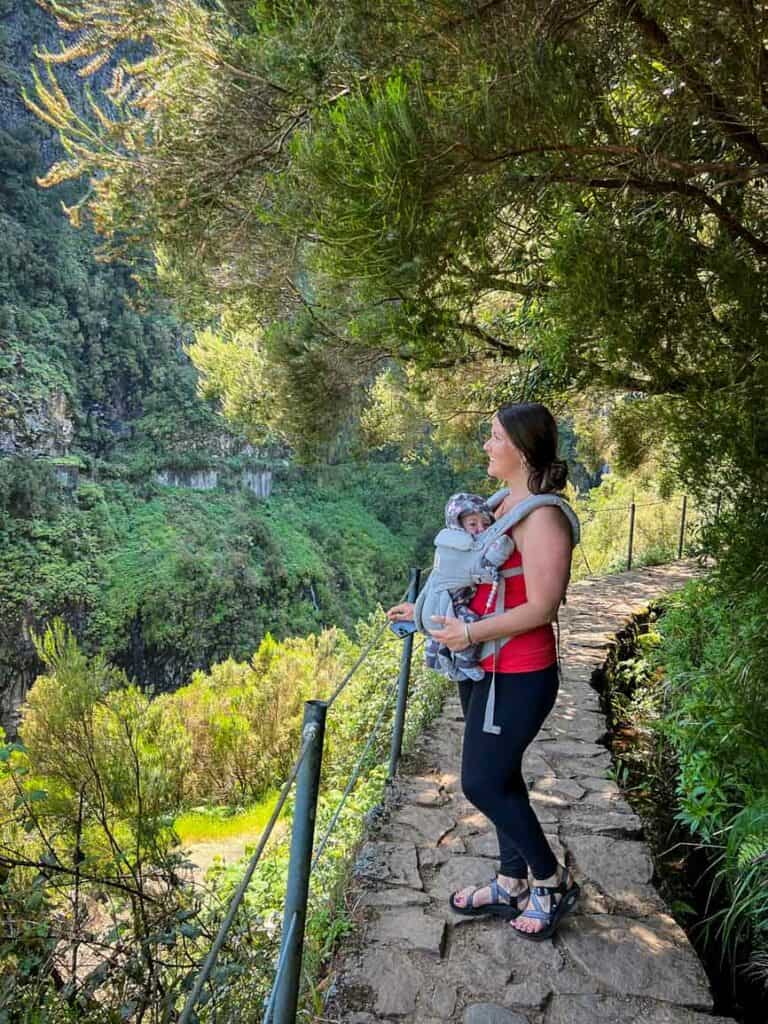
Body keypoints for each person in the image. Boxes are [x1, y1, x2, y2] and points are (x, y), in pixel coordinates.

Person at [387, 401, 580, 941]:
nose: (487, 445)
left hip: (519, 673)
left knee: (481, 782)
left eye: (495, 436)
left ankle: (550, 880)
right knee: (502, 775)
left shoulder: (543, 518)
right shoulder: (498, 506)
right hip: (485, 669)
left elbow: (543, 606)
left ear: (520, 447)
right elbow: (470, 580)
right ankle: (511, 881)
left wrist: (469, 635)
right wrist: (422, 613)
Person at [424, 492, 494, 683]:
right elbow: (479, 573)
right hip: (453, 600)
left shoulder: (448, 541)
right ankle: (465, 661)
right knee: (468, 623)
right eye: (473, 524)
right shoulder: (460, 546)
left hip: (444, 599)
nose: (480, 529)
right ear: (458, 525)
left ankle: (434, 657)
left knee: (438, 630)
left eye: (486, 524)